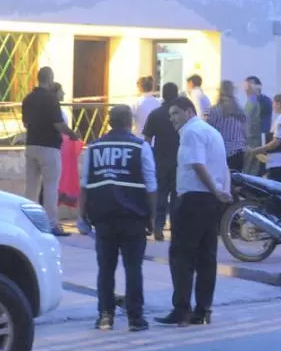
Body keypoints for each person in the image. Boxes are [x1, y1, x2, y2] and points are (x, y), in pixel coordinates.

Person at [79, 105, 158, 332]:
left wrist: (81, 214)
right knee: (133, 268)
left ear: (110, 122)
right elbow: (151, 186)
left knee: (105, 268)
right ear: (129, 122)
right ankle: (135, 318)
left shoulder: (94, 147)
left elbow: (85, 184)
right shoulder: (140, 146)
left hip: (103, 217)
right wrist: (152, 217)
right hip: (133, 217)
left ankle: (105, 316)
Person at [156, 96, 231, 327]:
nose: (173, 119)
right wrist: (221, 192)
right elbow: (223, 166)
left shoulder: (191, 132)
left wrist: (216, 191)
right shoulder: (211, 132)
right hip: (210, 201)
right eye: (170, 116)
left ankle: (182, 309)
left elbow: (198, 165)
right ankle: (203, 309)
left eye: (176, 113)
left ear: (189, 111)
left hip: (193, 199)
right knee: (206, 256)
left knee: (181, 256)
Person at [22, 66, 79, 236]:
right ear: (50, 78)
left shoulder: (28, 98)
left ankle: (27, 222)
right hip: (49, 146)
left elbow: (26, 123)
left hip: (31, 145)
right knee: (50, 187)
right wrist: (73, 134)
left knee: (31, 187)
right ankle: (51, 224)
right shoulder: (51, 100)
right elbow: (59, 124)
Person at [142, 81, 181, 241]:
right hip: (179, 159)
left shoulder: (155, 114)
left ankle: (158, 227)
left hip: (160, 160)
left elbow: (146, 139)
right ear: (177, 94)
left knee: (161, 195)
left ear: (163, 95)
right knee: (177, 196)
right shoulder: (181, 114)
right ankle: (175, 228)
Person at [246, 93, 281, 183]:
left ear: (278, 104)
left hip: (278, 163)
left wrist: (258, 150)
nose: (272, 105)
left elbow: (276, 142)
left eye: (273, 103)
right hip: (279, 162)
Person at [206, 79, 248, 172]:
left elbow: (207, 132)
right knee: (235, 183)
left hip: (220, 152)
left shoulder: (213, 110)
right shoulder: (239, 110)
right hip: (238, 152)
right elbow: (245, 132)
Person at [243, 76, 273, 176]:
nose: (247, 88)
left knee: (256, 171)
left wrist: (263, 145)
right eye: (246, 85)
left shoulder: (263, 101)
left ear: (258, 87)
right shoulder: (250, 101)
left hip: (258, 142)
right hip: (248, 141)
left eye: (250, 85)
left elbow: (264, 124)